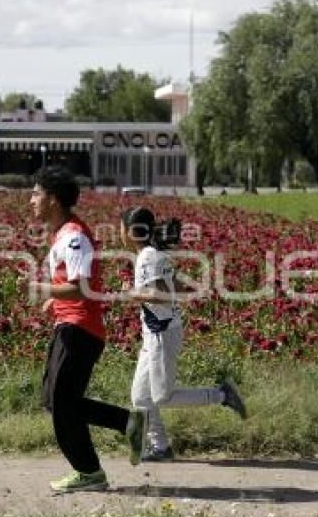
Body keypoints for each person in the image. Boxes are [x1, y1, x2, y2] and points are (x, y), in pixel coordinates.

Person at [28, 166, 144, 493]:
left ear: (53, 199)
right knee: (58, 401)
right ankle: (122, 429)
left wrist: (43, 290)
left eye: (36, 193)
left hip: (80, 329)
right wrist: (54, 300)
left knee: (62, 403)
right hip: (72, 326)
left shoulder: (74, 236)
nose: (31, 200)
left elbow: (80, 288)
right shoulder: (64, 233)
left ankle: (93, 468)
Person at [118, 206, 247, 462]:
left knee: (160, 397)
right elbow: (175, 288)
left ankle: (221, 395)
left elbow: (159, 296)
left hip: (161, 336)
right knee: (139, 397)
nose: (118, 232)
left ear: (131, 232)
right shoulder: (154, 255)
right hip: (159, 332)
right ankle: (161, 448)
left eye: (120, 227)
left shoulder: (147, 257)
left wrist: (129, 294)